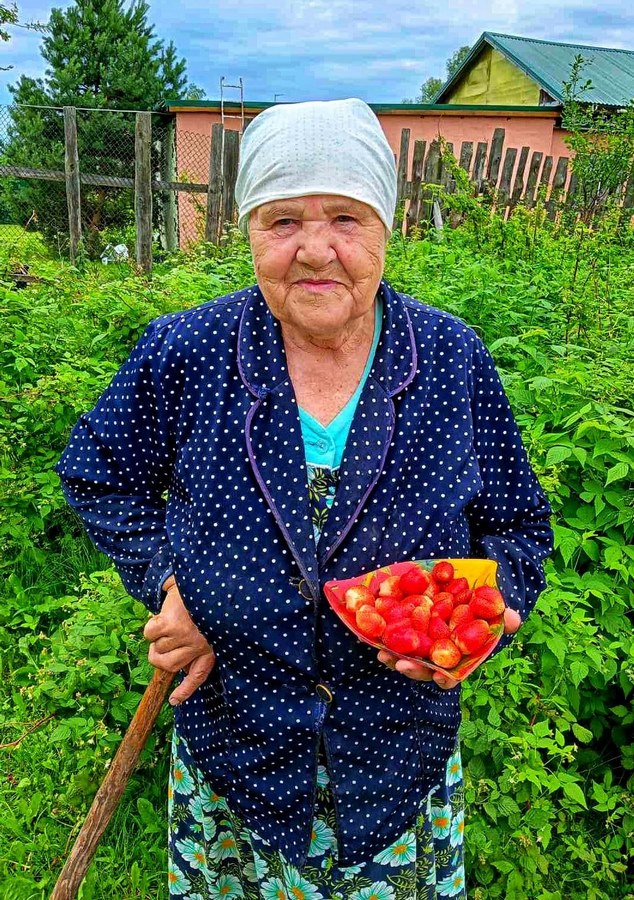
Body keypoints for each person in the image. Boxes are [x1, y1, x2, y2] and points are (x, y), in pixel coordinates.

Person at [56, 98, 553, 899]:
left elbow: (519, 526)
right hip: (238, 752)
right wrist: (170, 584)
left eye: (346, 219)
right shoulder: (188, 351)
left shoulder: (451, 360)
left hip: (396, 758)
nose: (316, 250)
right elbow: (98, 470)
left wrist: (483, 615)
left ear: (387, 228)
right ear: (248, 230)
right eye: (283, 220)